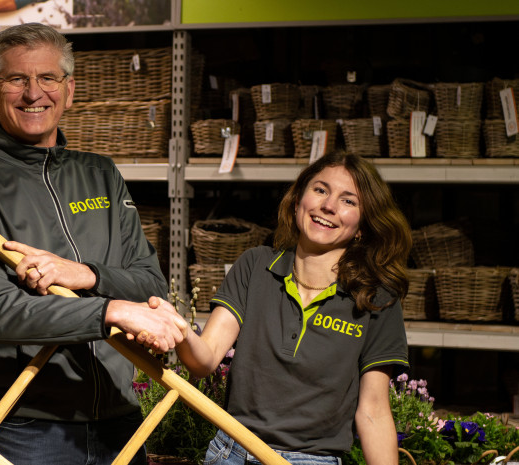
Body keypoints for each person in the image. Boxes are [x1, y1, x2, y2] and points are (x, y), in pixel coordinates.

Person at [0, 22, 188, 465]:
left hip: (119, 419)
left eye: (48, 78)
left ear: (69, 90)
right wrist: (110, 308)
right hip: (24, 426)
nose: (35, 93)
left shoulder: (100, 173)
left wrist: (87, 274)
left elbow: (151, 286)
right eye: (17, 79)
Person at [172, 152, 412, 465]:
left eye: (348, 201)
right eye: (321, 190)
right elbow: (203, 360)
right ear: (298, 199)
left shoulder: (376, 298)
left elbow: (374, 411)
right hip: (232, 452)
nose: (328, 206)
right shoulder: (255, 266)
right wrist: (177, 330)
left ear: (363, 225)